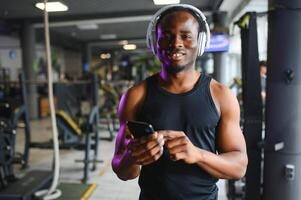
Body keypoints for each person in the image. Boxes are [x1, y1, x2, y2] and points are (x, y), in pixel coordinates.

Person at [112, 4, 248, 200]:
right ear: (154, 42)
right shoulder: (135, 96)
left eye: (186, 36)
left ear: (200, 42)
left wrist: (197, 154)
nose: (176, 43)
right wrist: (133, 157)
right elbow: (123, 171)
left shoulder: (221, 95)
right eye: (166, 35)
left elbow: (239, 167)